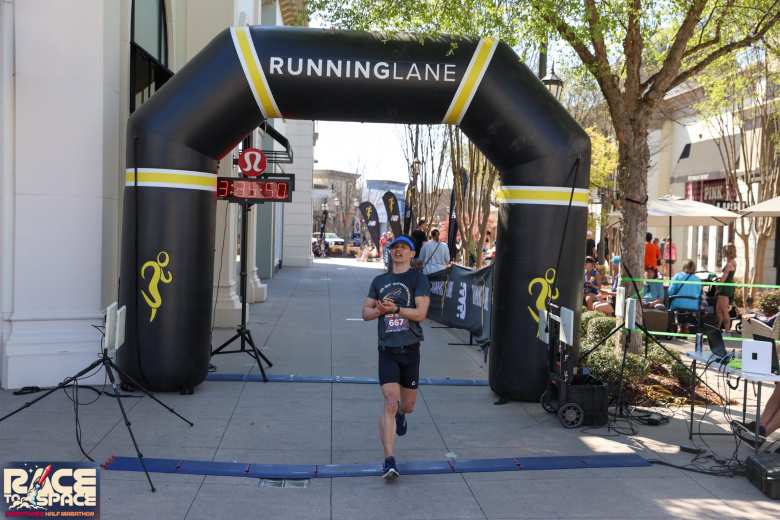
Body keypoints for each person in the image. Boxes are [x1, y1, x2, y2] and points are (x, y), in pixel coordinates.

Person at [362, 235, 431, 480]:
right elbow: (365, 313)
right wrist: (379, 310)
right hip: (388, 351)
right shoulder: (379, 280)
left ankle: (402, 414)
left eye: (404, 247)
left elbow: (421, 313)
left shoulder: (418, 279)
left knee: (407, 406)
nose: (398, 251)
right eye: (395, 248)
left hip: (411, 350)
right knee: (391, 402)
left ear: (412, 254)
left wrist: (396, 309)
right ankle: (389, 460)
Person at [668, 259, 702, 333]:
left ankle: (675, 327)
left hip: (678, 303)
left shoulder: (677, 276)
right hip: (693, 305)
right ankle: (685, 327)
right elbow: (699, 293)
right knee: (686, 309)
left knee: (672, 305)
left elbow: (670, 292)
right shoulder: (697, 279)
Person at [716, 243, 737, 331]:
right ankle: (717, 330)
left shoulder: (729, 264)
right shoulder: (733, 262)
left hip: (725, 288)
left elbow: (724, 278)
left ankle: (727, 331)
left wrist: (717, 285)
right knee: (719, 310)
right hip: (728, 287)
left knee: (723, 311)